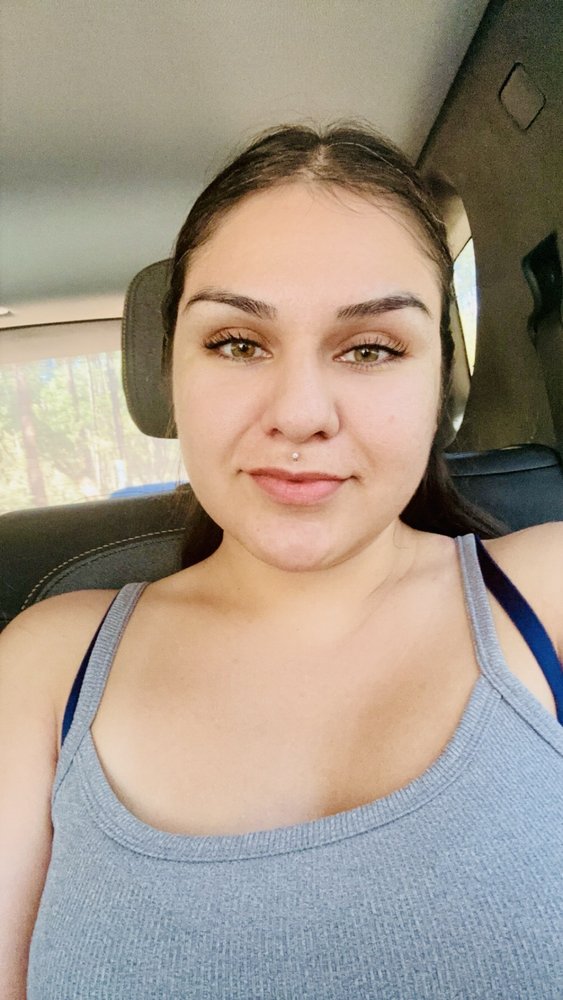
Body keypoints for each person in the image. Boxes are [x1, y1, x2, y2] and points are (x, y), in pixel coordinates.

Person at [1, 122, 562, 1000]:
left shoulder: (548, 593)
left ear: (438, 383)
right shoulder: (43, 666)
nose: (299, 413)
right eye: (237, 343)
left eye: (371, 348)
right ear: (170, 372)